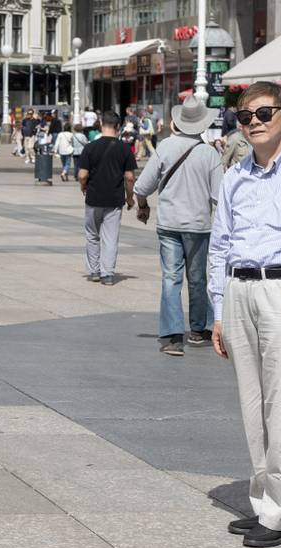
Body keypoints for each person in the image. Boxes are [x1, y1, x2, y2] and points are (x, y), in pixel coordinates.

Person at [208, 81, 281, 548]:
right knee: (252, 404)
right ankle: (267, 502)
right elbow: (219, 245)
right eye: (244, 116)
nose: (252, 122)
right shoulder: (234, 175)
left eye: (262, 113)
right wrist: (217, 309)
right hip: (239, 288)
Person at [133, 96, 223, 356]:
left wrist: (143, 206)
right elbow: (219, 196)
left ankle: (173, 337)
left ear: (177, 122)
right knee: (197, 279)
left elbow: (142, 187)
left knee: (171, 279)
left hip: (169, 224)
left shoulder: (165, 147)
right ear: (202, 126)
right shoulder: (210, 153)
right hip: (198, 226)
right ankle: (198, 329)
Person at [77, 111, 137, 285]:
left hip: (93, 198)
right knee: (110, 237)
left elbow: (82, 175)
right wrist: (130, 197)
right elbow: (130, 177)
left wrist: (83, 187)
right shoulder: (124, 149)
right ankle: (108, 274)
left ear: (101, 124)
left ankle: (94, 271)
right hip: (114, 200)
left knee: (92, 235)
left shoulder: (90, 147)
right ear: (118, 127)